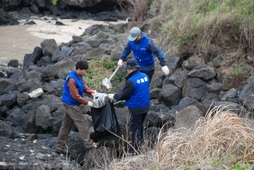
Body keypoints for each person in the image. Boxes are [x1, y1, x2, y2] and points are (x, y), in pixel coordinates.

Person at [108, 59, 150, 154]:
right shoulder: (145, 76)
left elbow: (125, 95)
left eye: (127, 69)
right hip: (146, 106)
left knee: (134, 128)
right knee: (140, 126)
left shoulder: (131, 81)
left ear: (130, 69)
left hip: (136, 108)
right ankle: (141, 144)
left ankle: (134, 150)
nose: (127, 70)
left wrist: (114, 96)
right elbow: (141, 90)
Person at [57, 60, 97, 154]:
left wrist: (92, 91)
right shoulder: (71, 79)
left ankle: (60, 147)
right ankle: (88, 143)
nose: (84, 72)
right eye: (83, 70)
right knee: (83, 122)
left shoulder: (80, 77)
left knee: (66, 125)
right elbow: (75, 96)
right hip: (71, 104)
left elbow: (84, 87)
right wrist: (87, 102)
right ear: (78, 69)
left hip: (71, 103)